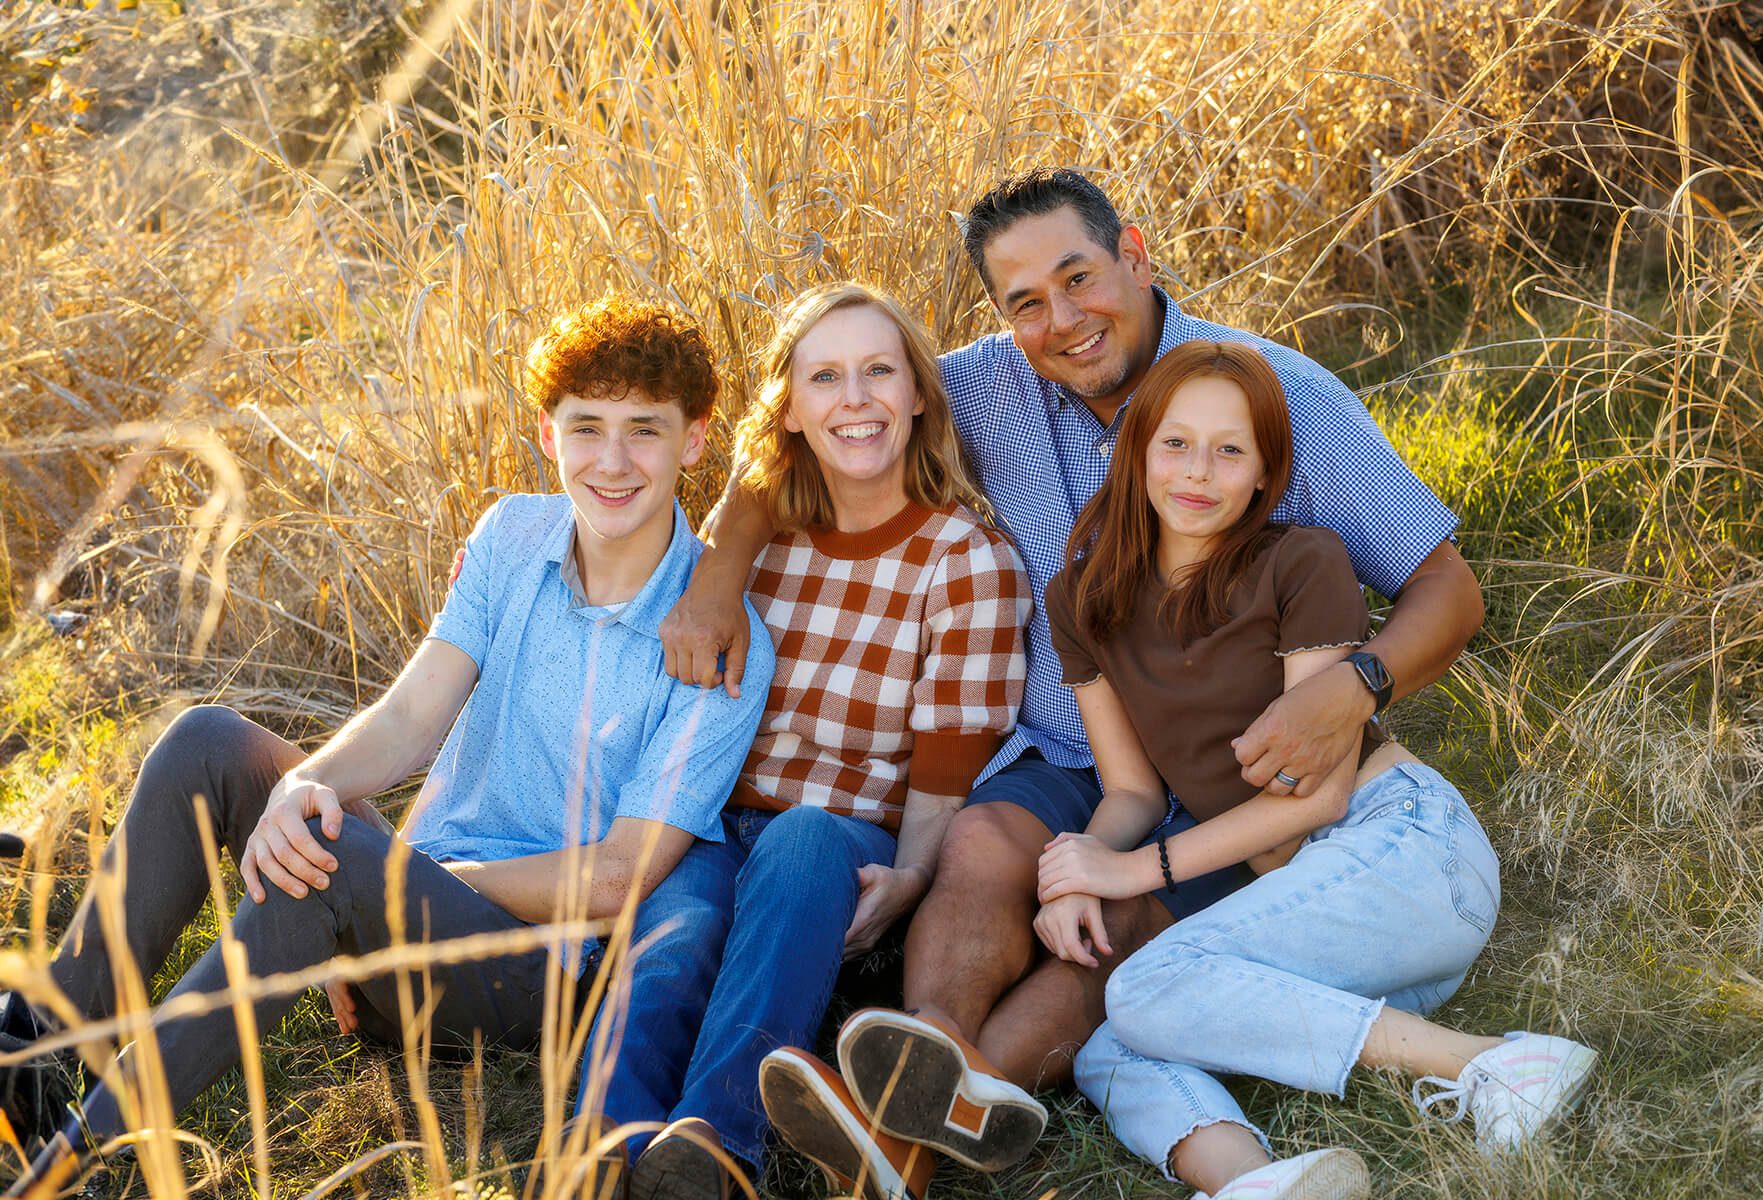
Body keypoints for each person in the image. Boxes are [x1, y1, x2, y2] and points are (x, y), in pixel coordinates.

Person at [666, 167, 1486, 1185]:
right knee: (983, 840)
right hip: (1076, 746)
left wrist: (1355, 682)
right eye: (1025, 302)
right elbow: (812, 427)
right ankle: (926, 1051)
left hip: (1232, 768)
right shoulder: (977, 386)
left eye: (1081, 278)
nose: (1063, 320)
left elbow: (1447, 590)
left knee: (1120, 921)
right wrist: (718, 573)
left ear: (1135, 255)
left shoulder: (1267, 396)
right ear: (1001, 314)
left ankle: (903, 1142)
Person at [0, 299, 772, 1194]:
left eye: (645, 431)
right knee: (210, 740)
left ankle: (78, 1158)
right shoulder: (513, 535)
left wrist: (395, 880)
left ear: (697, 441)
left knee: (326, 858)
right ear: (547, 432)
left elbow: (617, 878)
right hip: (410, 890)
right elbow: (409, 721)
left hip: (539, 970)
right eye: (586, 427)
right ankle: (40, 1055)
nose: (611, 460)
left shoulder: (721, 643)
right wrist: (306, 790)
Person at [1040, 340, 1596, 1199]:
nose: (1198, 472)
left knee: (1147, 985)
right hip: (1323, 924)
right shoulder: (1081, 599)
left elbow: (1320, 790)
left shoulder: (1301, 563)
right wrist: (1078, 872)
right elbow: (1133, 791)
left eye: (1230, 450)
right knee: (1113, 1043)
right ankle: (1257, 1183)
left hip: (1404, 850)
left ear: (1265, 473)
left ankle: (1500, 1065)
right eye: (1175, 443)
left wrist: (1133, 870)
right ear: (1135, 450)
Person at [573, 282, 1028, 1200]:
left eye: (877, 373)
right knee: (678, 933)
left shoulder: (967, 559)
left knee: (802, 835)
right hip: (715, 820)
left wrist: (912, 877)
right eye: (825, 377)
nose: (854, 399)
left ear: (916, 397)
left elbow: (947, 767)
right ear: (792, 408)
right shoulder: (755, 538)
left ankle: (713, 1146)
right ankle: (597, 1151)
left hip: (842, 842)